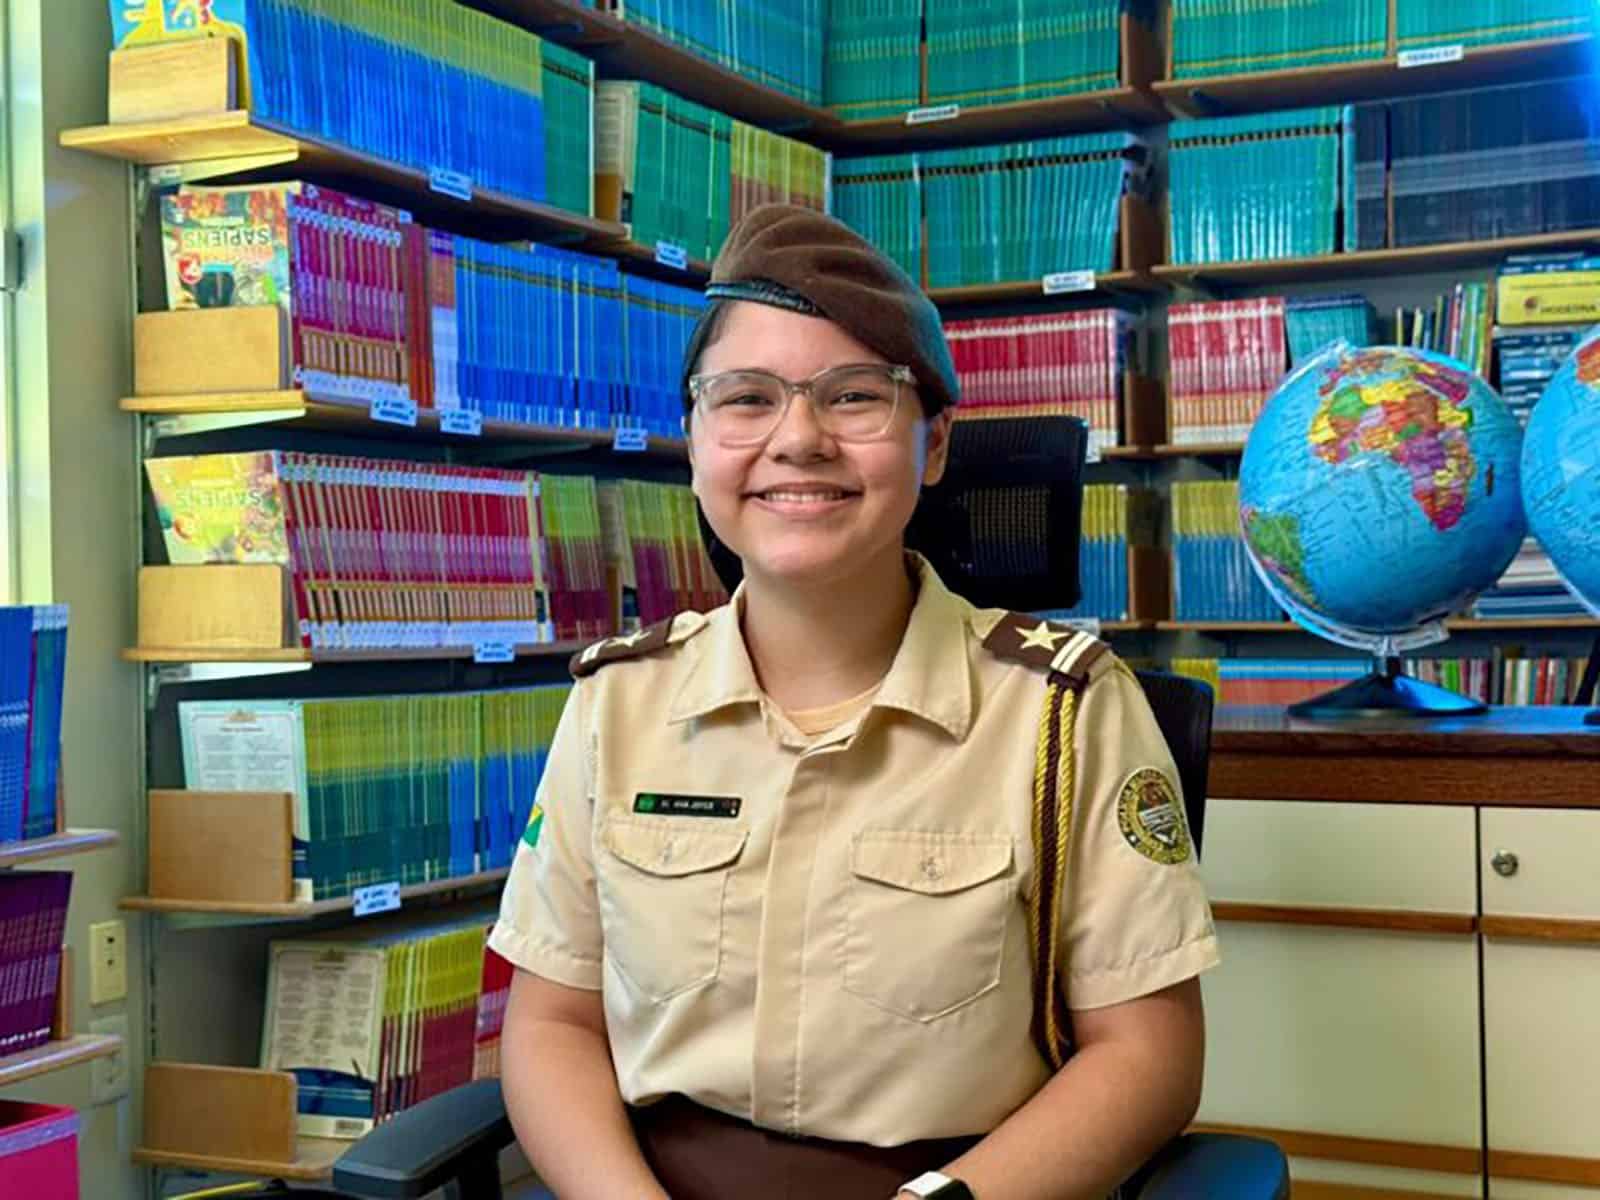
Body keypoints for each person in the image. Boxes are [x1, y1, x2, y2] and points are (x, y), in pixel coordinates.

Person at [488, 204, 1218, 1200]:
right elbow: (551, 1021)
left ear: (934, 444)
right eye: (746, 398)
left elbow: (1149, 1055)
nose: (798, 439)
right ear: (694, 440)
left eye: (855, 398)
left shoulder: (1065, 713)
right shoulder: (619, 703)